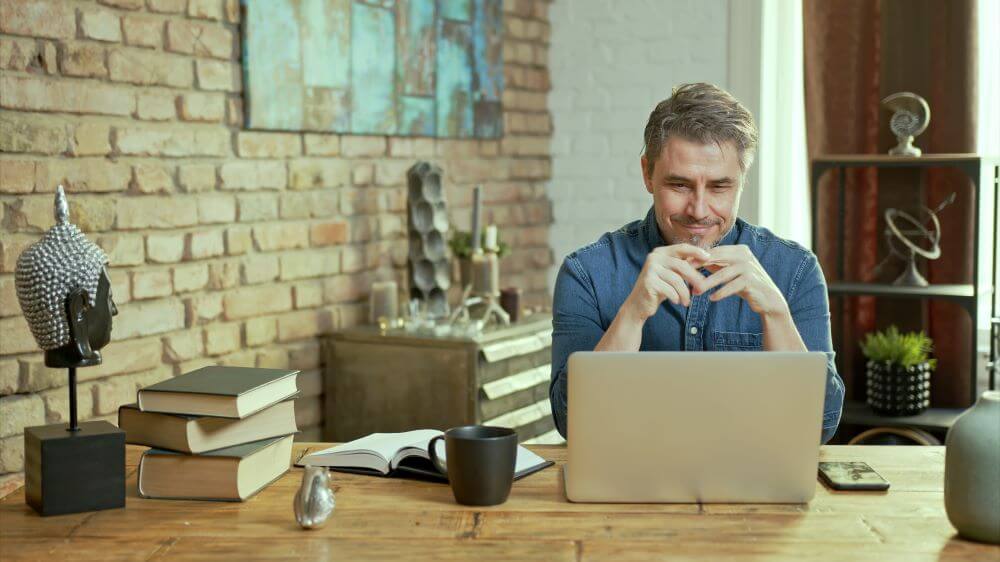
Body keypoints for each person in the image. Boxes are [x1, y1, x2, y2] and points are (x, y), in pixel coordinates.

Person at [549, 83, 845, 444]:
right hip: (629, 490)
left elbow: (822, 426)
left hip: (757, 493)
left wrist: (776, 315)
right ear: (647, 174)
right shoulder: (586, 274)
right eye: (679, 185)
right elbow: (572, 423)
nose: (699, 210)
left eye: (720, 187)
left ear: (742, 182)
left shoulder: (795, 270)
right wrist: (633, 314)